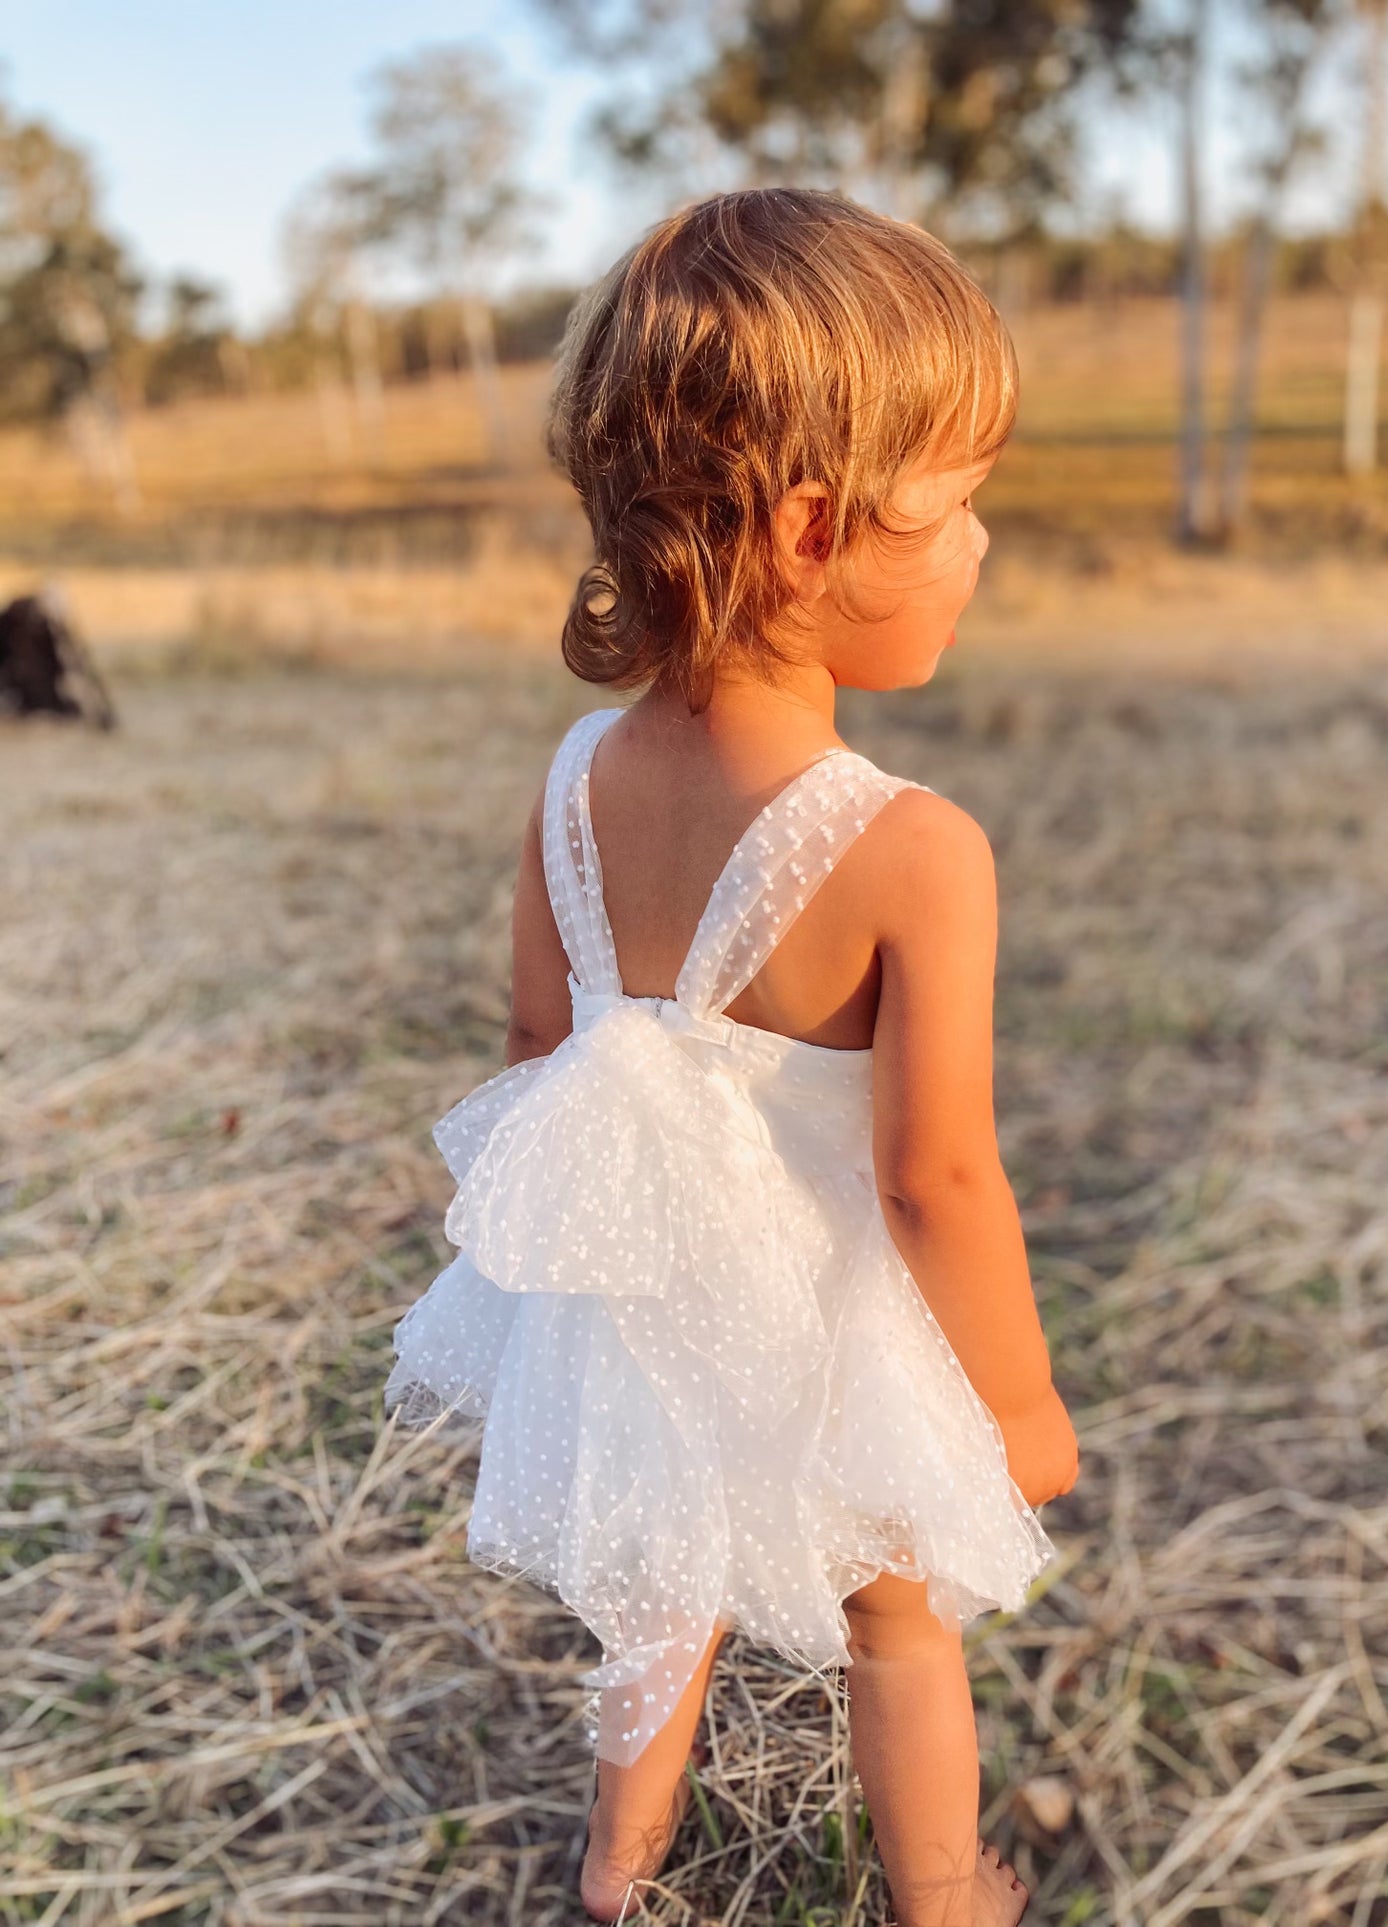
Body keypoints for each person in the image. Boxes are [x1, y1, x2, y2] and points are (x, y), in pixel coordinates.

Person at [384, 185, 1080, 1927]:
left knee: (658, 1576)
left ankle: (616, 1875)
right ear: (807, 530)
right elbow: (934, 1179)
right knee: (898, 1606)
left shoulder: (570, 780)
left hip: (646, 1294)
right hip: (836, 1312)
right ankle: (937, 1890)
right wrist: (1009, 1405)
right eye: (956, 510)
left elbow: (545, 1046)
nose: (984, 549)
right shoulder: (910, 846)